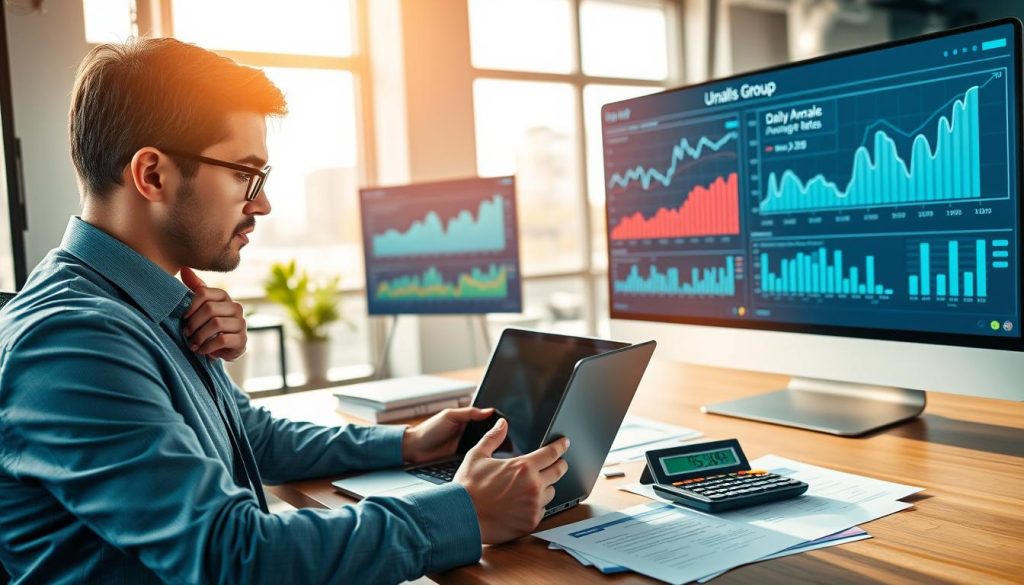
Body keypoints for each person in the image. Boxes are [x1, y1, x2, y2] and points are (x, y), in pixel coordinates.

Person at [0, 38, 569, 584]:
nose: (262, 203)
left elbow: (248, 434)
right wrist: (463, 512)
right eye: (246, 175)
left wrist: (408, 444)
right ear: (153, 175)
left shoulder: (145, 303)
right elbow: (234, 557)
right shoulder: (74, 340)